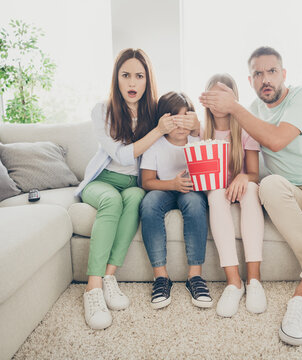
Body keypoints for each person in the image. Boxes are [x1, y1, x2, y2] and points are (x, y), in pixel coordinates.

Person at [199, 46, 302, 345]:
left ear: (284, 74)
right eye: (258, 73)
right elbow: (228, 142)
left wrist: (234, 107)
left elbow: (275, 141)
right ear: (250, 80)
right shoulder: (251, 110)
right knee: (269, 184)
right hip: (289, 189)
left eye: (272, 71)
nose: (266, 79)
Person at [76, 48, 187, 330]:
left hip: (132, 185)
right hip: (102, 181)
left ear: (148, 80)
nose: (132, 83)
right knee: (112, 202)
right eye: (126, 75)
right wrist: (158, 131)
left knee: (137, 197)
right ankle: (93, 287)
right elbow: (123, 156)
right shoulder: (102, 110)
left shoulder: (153, 112)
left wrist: (190, 122)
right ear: (117, 78)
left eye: (139, 76)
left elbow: (185, 118)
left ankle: (110, 277)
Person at [139, 91, 212, 310]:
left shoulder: (197, 139)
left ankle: (195, 277)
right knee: (149, 203)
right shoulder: (155, 144)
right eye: (174, 120)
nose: (180, 126)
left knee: (195, 203)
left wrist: (198, 127)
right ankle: (161, 278)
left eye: (185, 119)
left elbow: (215, 149)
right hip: (165, 188)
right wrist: (172, 184)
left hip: (190, 190)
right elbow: (147, 182)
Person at [201, 73, 266, 318]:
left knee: (250, 190)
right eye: (213, 95)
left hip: (242, 189)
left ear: (234, 99)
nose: (218, 101)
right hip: (219, 191)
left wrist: (243, 177)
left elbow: (254, 174)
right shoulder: (201, 131)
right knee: (216, 195)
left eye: (223, 95)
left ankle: (254, 280)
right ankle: (233, 283)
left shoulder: (245, 131)